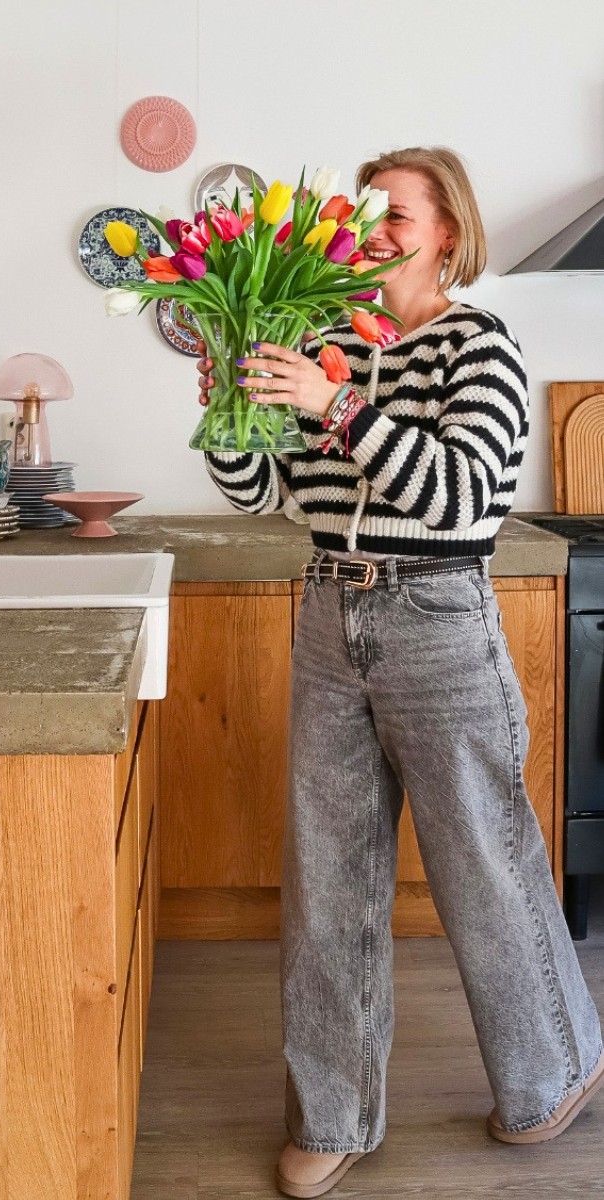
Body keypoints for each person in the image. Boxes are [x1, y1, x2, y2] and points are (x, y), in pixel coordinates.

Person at [197, 146, 603, 1199]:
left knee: (483, 864)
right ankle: (333, 1115)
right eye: (364, 214)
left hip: (439, 617)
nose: (372, 233)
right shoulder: (326, 342)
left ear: (448, 234)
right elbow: (270, 493)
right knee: (328, 877)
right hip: (330, 614)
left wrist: (337, 406)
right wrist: (231, 410)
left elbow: (462, 495)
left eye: (397, 216)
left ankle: (555, 1070)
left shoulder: (480, 345)